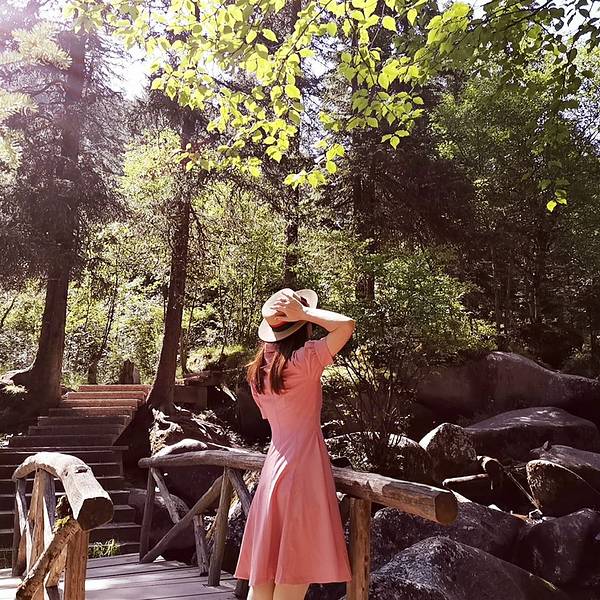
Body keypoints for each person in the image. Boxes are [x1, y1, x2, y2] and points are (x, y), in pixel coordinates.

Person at [233, 287, 356, 600]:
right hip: (304, 473)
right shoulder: (304, 361)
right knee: (293, 575)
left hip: (272, 472)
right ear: (302, 328)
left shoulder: (258, 373)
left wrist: (299, 317)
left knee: (263, 581)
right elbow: (346, 326)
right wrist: (305, 313)